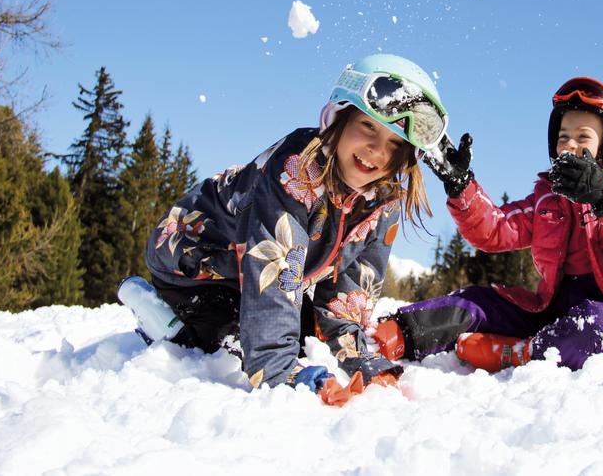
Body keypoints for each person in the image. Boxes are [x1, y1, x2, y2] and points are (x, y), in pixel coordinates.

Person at [120, 54, 448, 405]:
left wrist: (360, 360)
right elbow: (271, 271)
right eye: (368, 127)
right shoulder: (296, 168)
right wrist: (285, 374)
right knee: (220, 339)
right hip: (197, 262)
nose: (376, 151)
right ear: (337, 118)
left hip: (255, 272)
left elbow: (349, 295)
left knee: (306, 334)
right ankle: (158, 314)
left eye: (395, 144)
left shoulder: (382, 201)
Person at [373, 76, 603, 373]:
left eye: (583, 137)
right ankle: (389, 335)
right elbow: (495, 230)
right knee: (477, 301)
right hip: (552, 311)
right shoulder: (547, 199)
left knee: (593, 327)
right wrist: (461, 185)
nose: (569, 144)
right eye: (563, 136)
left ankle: (520, 353)